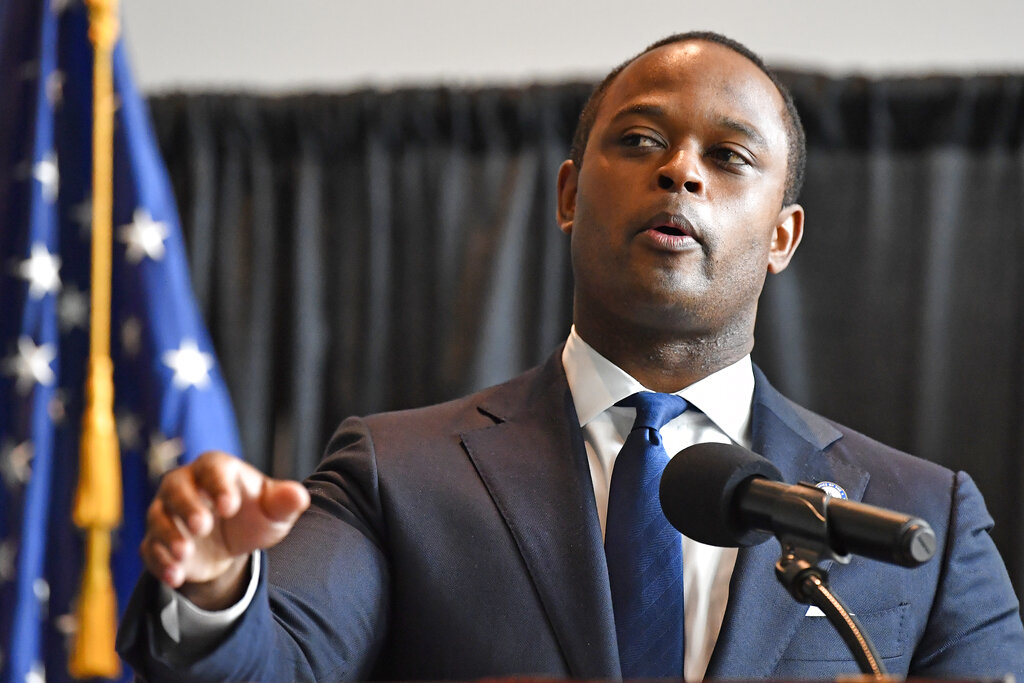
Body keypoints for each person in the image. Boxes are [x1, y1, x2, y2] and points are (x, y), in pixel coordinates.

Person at [117, 32, 1024, 681]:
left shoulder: (916, 518)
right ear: (567, 194)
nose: (681, 171)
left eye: (729, 155)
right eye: (639, 140)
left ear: (783, 236)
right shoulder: (397, 475)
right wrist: (217, 586)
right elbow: (281, 662)